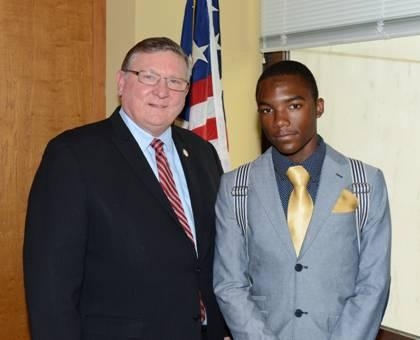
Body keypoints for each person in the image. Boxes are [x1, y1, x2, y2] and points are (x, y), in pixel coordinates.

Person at [24, 37, 230, 340]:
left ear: (186, 93)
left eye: (175, 82)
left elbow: (211, 255)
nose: (162, 91)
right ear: (121, 83)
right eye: (148, 77)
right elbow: (50, 283)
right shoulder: (73, 155)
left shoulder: (202, 154)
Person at [213, 60, 391, 340]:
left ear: (318, 106)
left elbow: (374, 283)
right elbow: (229, 284)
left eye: (293, 106)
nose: (280, 121)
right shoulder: (236, 186)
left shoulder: (364, 183)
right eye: (267, 110)